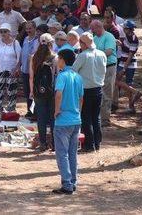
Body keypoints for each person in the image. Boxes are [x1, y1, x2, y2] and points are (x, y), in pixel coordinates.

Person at [52, 49, 83, 195]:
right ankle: (73, 181)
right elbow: (81, 98)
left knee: (62, 154)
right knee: (72, 153)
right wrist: (78, 111)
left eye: (58, 58)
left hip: (63, 120)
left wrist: (57, 110)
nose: (57, 61)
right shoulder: (78, 77)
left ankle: (67, 184)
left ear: (63, 60)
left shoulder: (62, 76)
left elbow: (58, 94)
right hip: (76, 119)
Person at [72, 32, 107, 152]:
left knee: (86, 118)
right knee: (96, 117)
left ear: (84, 44)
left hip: (86, 90)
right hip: (98, 89)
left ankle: (89, 144)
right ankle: (97, 143)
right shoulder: (102, 54)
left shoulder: (83, 55)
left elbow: (73, 70)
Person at [29, 33, 57, 151]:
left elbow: (31, 77)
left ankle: (43, 143)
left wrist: (32, 91)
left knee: (41, 118)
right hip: (52, 92)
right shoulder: (55, 57)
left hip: (38, 91)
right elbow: (57, 75)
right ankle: (55, 144)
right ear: (51, 43)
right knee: (53, 118)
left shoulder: (33, 57)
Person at [91, 20, 117, 125]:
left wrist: (96, 56)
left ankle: (105, 118)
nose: (92, 31)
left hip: (109, 67)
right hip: (98, 67)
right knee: (99, 91)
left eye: (93, 29)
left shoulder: (109, 36)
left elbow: (109, 51)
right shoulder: (95, 38)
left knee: (107, 92)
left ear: (98, 27)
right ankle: (99, 116)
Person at [0, 23, 22, 113]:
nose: (3, 33)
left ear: (9, 32)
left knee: (11, 92)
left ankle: (11, 111)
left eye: (5, 31)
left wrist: (16, 69)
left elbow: (19, 58)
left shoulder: (15, 43)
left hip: (11, 71)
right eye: (1, 31)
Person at [115, 20, 142, 114]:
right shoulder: (125, 37)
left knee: (120, 82)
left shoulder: (134, 39)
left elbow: (130, 56)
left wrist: (124, 69)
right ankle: (133, 97)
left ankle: (132, 103)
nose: (123, 29)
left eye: (124, 28)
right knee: (125, 84)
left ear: (128, 29)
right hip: (124, 62)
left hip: (128, 64)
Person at [20, 21, 39, 118]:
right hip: (24, 70)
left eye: (30, 28)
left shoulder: (37, 40)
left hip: (33, 71)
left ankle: (35, 112)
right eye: (26, 29)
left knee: (33, 91)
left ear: (34, 28)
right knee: (27, 92)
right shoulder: (26, 39)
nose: (28, 30)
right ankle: (29, 111)